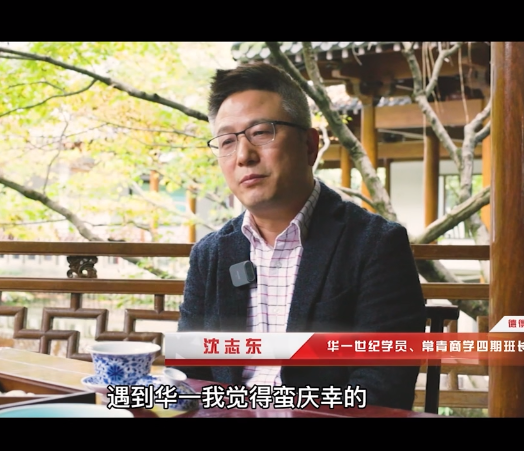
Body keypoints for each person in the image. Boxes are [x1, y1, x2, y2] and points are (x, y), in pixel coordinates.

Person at [174, 62, 427, 410]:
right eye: (227, 141)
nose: (244, 156)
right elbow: (188, 372)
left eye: (261, 132)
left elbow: (381, 391)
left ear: (309, 145)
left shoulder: (375, 245)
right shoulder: (211, 254)